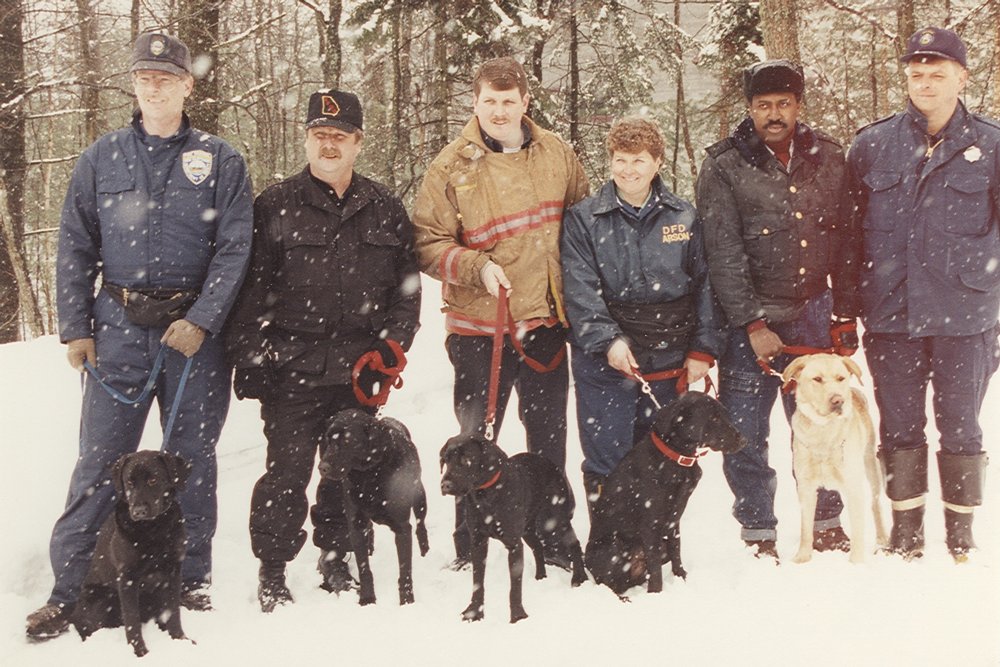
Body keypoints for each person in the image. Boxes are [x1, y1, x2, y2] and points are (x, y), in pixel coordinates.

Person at [26, 32, 254, 640]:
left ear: (187, 84)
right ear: (134, 84)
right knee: (101, 463)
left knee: (192, 461)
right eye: (144, 76)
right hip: (119, 330)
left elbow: (235, 249)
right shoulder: (101, 158)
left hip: (191, 336)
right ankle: (73, 589)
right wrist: (76, 328)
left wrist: (202, 318)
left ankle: (189, 577)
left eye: (167, 77)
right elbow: (74, 245)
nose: (155, 86)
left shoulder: (220, 160)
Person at [224, 89, 421, 611]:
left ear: (358, 142)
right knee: (286, 471)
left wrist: (390, 352)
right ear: (306, 140)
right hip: (292, 366)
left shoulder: (385, 208)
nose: (328, 145)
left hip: (360, 370)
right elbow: (248, 293)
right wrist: (253, 357)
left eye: (339, 136)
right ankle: (273, 567)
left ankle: (339, 554)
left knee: (349, 470)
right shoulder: (274, 205)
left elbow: (407, 294)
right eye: (319, 135)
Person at [412, 56, 589, 568]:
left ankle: (552, 538)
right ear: (475, 101)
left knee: (547, 442)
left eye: (508, 101)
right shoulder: (451, 166)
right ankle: (471, 543)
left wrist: (571, 309)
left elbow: (581, 229)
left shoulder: (556, 153)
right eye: (489, 101)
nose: (498, 111)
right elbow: (427, 244)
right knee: (474, 443)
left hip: (543, 326)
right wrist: (474, 265)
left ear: (526, 102)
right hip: (478, 330)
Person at [844, 27, 997, 562]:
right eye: (916, 75)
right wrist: (849, 307)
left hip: (966, 313)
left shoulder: (992, 145)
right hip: (892, 314)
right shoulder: (872, 145)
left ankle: (960, 531)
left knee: (961, 423)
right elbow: (848, 234)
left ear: (961, 77)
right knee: (900, 422)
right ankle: (907, 528)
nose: (926, 84)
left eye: (937, 74)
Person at [695, 60, 855, 560]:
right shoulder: (724, 165)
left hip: (812, 311)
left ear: (798, 105)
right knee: (745, 431)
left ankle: (826, 520)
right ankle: (759, 531)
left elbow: (846, 237)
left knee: (823, 422)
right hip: (749, 321)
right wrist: (753, 323)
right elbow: (722, 252)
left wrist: (844, 312)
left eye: (783, 104)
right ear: (749, 109)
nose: (774, 114)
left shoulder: (828, 156)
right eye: (763, 105)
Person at [561, 116, 725, 514]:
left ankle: (655, 541)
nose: (628, 170)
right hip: (608, 359)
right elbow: (579, 288)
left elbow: (705, 284)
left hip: (669, 354)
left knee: (662, 452)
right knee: (607, 455)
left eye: (638, 161)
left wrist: (703, 348)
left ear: (657, 163)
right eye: (620, 160)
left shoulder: (683, 217)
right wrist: (607, 342)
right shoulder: (584, 219)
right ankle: (609, 542)